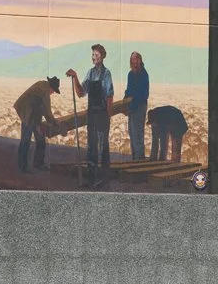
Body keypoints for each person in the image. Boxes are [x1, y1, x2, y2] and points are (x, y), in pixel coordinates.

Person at [67, 43, 114, 182]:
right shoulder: (90, 72)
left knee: (103, 145)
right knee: (91, 145)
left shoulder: (106, 73)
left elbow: (109, 97)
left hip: (102, 114)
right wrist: (75, 77)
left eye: (97, 55)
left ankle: (105, 175)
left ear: (102, 57)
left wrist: (108, 116)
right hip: (92, 114)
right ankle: (92, 174)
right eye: (93, 55)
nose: (94, 57)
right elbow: (81, 93)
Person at [15, 76, 61, 173]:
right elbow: (47, 111)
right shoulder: (44, 91)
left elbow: (41, 108)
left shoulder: (43, 85)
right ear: (51, 87)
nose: (52, 93)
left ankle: (37, 163)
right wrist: (54, 122)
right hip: (28, 114)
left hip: (34, 115)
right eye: (53, 91)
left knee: (40, 139)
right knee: (26, 140)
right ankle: (23, 166)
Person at [120, 52, 150, 160]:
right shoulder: (130, 74)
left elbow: (144, 94)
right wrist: (124, 104)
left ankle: (139, 160)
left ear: (140, 60)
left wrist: (132, 102)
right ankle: (135, 159)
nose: (135, 61)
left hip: (139, 106)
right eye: (133, 59)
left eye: (137, 59)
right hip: (132, 106)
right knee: (132, 133)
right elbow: (128, 90)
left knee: (138, 134)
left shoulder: (143, 74)